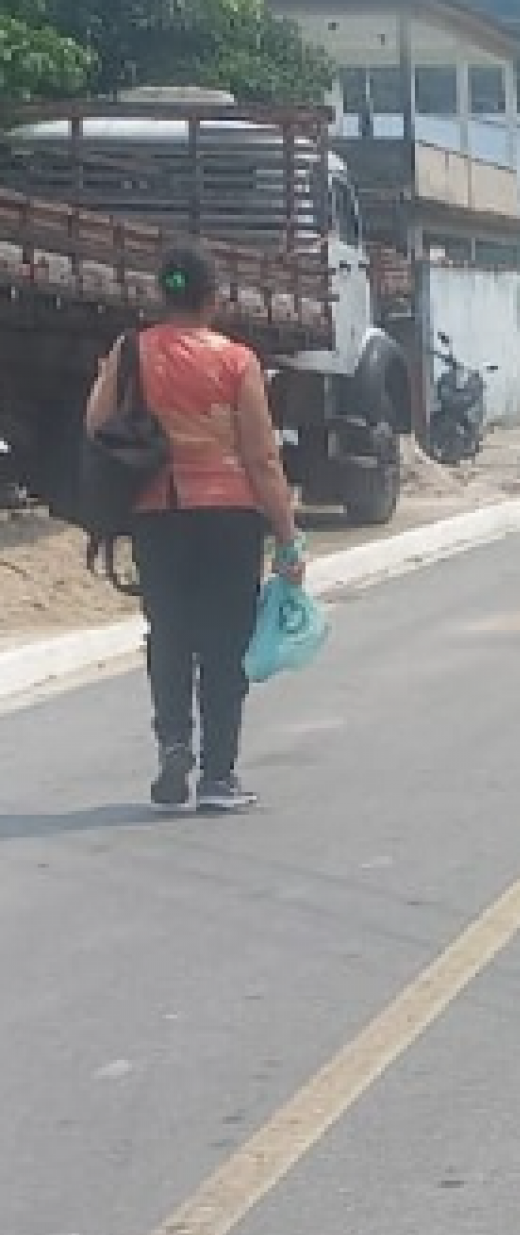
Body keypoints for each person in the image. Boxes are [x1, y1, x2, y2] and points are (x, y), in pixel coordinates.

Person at [86, 237, 305, 812]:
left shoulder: (130, 350)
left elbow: (96, 424)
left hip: (157, 514)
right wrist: (288, 538)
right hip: (230, 517)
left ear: (163, 295)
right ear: (214, 299)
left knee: (169, 635)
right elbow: (262, 457)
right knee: (223, 645)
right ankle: (217, 776)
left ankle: (173, 745)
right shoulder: (236, 361)